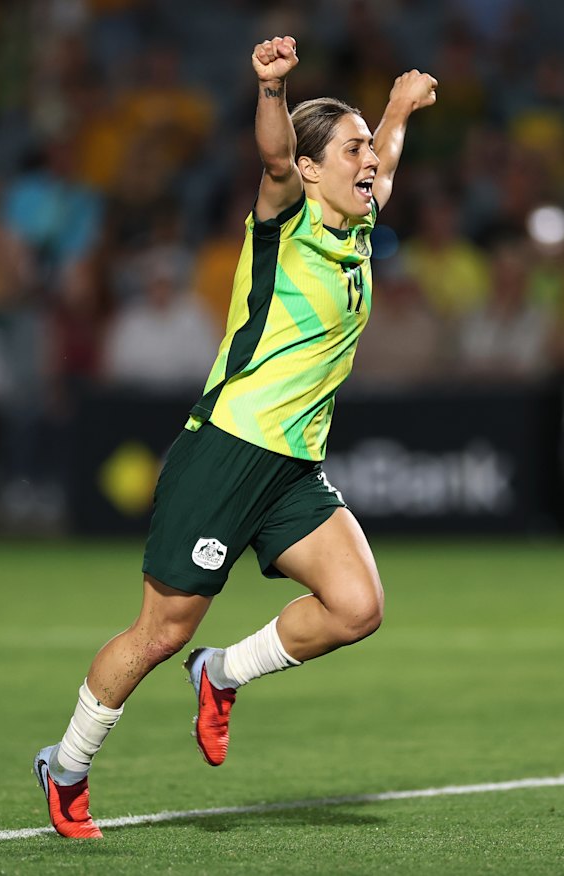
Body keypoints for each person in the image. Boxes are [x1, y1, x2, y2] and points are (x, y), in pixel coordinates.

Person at [34, 35, 437, 839]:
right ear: (314, 168)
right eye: (350, 151)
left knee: (357, 606)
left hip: (292, 467)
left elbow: (383, 164)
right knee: (159, 631)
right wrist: (270, 91)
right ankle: (67, 763)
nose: (369, 165)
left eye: (368, 153)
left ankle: (221, 675)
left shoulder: (356, 219)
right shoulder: (285, 217)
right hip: (226, 450)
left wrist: (393, 111)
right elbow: (277, 158)